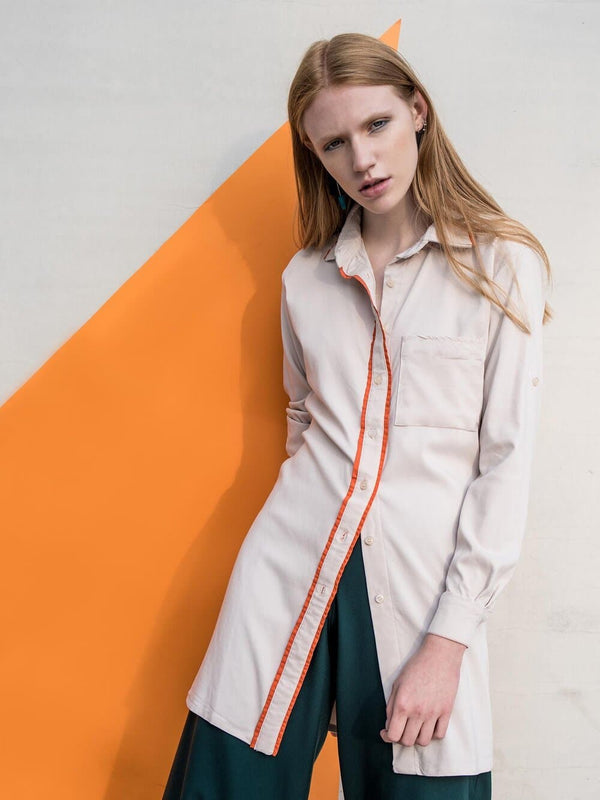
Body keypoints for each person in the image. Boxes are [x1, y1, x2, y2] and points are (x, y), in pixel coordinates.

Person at [162, 32, 552, 800]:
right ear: (315, 155)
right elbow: (304, 421)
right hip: (288, 575)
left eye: (375, 126)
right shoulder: (305, 279)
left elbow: (505, 465)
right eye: (333, 143)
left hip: (417, 594)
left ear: (417, 111)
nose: (361, 159)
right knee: (225, 783)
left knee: (423, 783)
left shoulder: (501, 264)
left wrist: (448, 642)